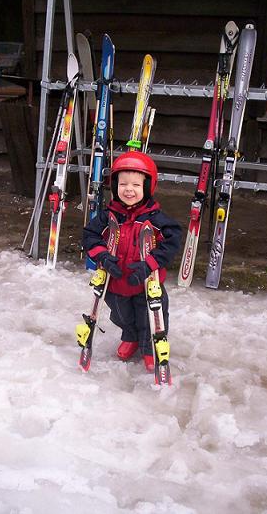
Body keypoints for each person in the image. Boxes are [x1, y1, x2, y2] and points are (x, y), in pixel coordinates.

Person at [82, 152, 181, 372]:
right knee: (121, 315)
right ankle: (131, 336)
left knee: (148, 317)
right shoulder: (107, 216)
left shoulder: (156, 219)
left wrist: (150, 264)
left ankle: (148, 347)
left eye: (136, 184)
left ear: (147, 187)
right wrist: (103, 257)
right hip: (115, 282)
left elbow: (172, 241)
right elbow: (89, 236)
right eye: (123, 184)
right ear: (115, 186)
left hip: (146, 284)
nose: (129, 189)